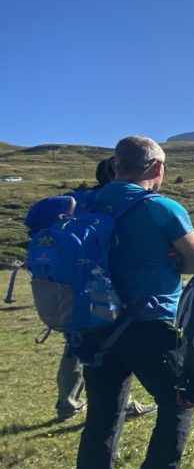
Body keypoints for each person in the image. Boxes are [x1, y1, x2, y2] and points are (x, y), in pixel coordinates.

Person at [74, 137, 194, 469]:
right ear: (157, 169)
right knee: (178, 403)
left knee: (102, 417)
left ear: (115, 167)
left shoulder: (85, 204)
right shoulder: (162, 209)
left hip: (95, 324)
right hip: (150, 323)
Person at [25, 159, 156, 424]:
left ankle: (68, 403)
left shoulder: (75, 200)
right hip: (105, 285)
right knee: (113, 346)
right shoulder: (117, 203)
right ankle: (120, 402)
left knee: (75, 345)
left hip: (68, 285)